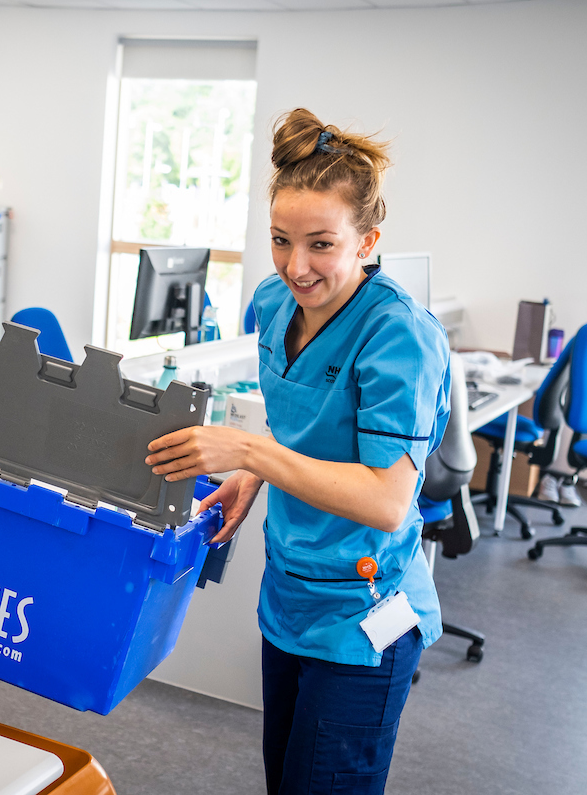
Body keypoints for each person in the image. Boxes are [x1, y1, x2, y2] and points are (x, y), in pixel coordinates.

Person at [144, 108, 451, 795]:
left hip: (365, 612)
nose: (296, 266)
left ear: (368, 240)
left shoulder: (398, 336)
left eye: (321, 244)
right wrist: (252, 479)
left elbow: (384, 498)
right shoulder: (273, 305)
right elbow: (303, 421)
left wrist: (249, 454)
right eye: (281, 240)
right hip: (291, 596)